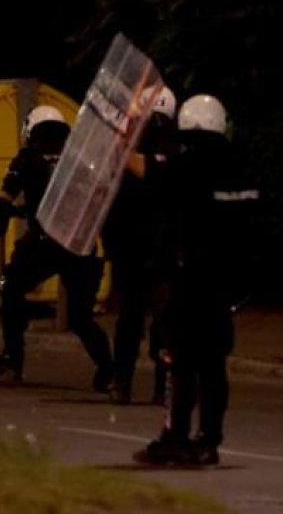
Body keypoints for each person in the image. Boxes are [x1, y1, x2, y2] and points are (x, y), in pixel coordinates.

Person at [131, 94, 258, 466]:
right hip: (226, 282)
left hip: (190, 279)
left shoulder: (188, 165)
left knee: (179, 360)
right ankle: (209, 440)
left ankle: (175, 436)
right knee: (213, 365)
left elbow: (151, 171)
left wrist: (118, 151)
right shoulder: (241, 169)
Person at [0, 105, 114, 390]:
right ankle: (109, 369)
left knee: (9, 286)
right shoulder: (80, 157)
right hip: (81, 243)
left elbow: (4, 199)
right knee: (82, 318)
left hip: (44, 242)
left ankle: (12, 355)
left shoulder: (27, 157)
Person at [102, 86, 178, 405]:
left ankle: (129, 383)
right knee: (157, 319)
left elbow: (143, 169)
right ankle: (155, 384)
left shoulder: (157, 147)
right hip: (154, 247)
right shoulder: (175, 141)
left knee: (137, 320)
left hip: (144, 246)